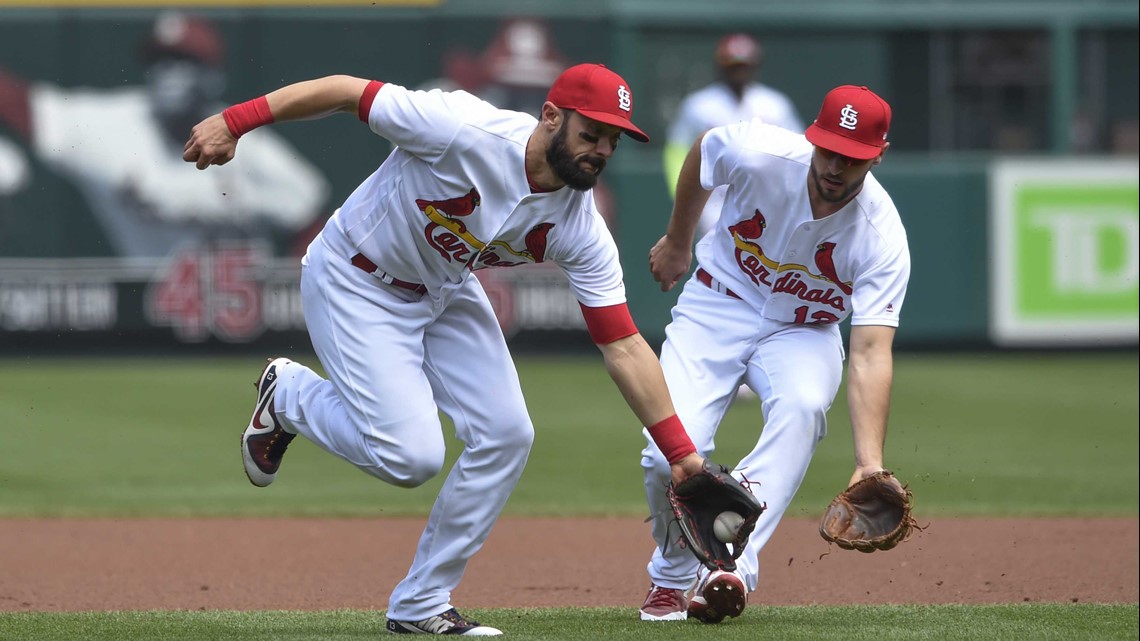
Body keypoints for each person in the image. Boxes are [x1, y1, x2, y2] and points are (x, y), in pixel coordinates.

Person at [183, 63, 706, 636]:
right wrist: (236, 121)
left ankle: (420, 603)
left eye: (613, 139)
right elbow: (341, 92)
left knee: (507, 434)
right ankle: (289, 396)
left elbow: (625, 345)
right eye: (591, 133)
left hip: (444, 289)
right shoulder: (460, 128)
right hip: (355, 276)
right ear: (551, 117)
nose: (601, 150)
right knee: (410, 459)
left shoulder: (580, 226)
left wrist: (680, 456)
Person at [638, 85, 909, 623]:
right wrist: (677, 240)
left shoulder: (882, 235)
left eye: (852, 158)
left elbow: (872, 352)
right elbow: (702, 153)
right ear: (813, 135)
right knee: (660, 454)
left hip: (804, 330)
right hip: (719, 301)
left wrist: (868, 462)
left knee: (804, 407)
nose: (835, 166)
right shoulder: (760, 150)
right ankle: (671, 574)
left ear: (877, 156)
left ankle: (729, 566)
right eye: (828, 149)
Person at [0, 11, 328, 258]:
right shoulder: (111, 127)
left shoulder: (250, 144)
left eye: (182, 62)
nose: (167, 74)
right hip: (148, 315)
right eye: (160, 61)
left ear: (213, 76)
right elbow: (25, 106)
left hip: (237, 312)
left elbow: (310, 216)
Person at [663, 33, 804, 243]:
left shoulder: (774, 105)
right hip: (712, 198)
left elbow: (798, 151)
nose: (739, 71)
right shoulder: (699, 105)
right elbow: (676, 150)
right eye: (733, 65)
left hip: (764, 196)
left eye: (744, 65)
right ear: (721, 67)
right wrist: (684, 193)